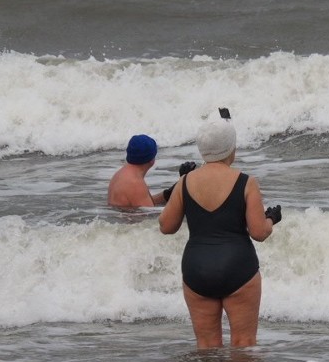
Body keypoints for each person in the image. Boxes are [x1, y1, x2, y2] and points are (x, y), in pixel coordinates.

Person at [158, 112, 281, 349]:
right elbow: (259, 232)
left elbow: (166, 226)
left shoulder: (185, 182)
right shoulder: (246, 182)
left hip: (197, 269)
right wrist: (271, 219)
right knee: (244, 345)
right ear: (231, 148)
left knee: (206, 347)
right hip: (238, 268)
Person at [107, 134, 195, 207]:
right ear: (151, 159)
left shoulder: (121, 174)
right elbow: (153, 219)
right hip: (129, 227)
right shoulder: (135, 183)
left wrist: (174, 189)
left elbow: (146, 202)